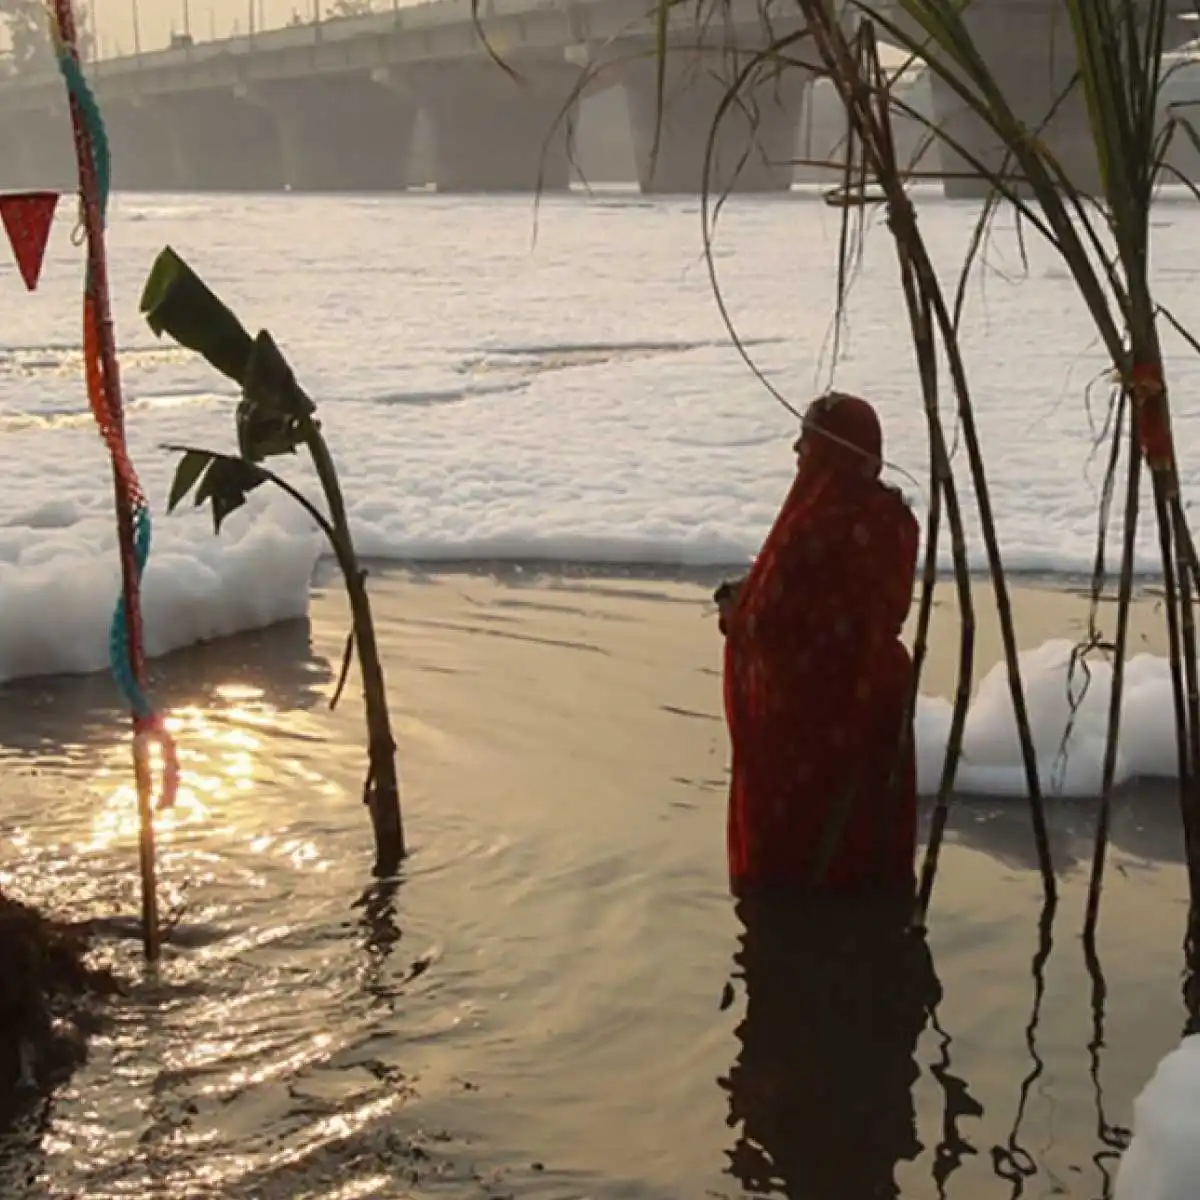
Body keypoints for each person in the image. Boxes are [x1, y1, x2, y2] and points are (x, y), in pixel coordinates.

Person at [718, 392, 919, 896]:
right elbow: (860, 608)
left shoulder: (810, 527)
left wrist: (735, 612)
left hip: (814, 719)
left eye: (805, 440)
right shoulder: (894, 518)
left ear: (829, 449)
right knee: (868, 839)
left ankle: (795, 947)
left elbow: (772, 624)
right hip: (878, 701)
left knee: (803, 858)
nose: (797, 451)